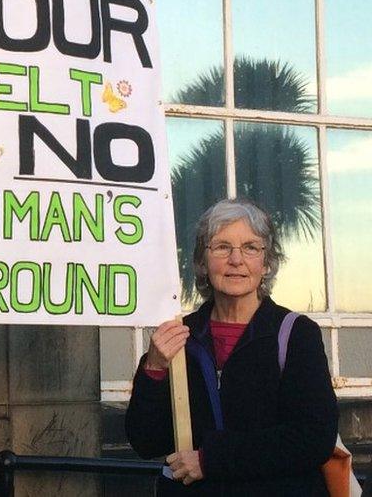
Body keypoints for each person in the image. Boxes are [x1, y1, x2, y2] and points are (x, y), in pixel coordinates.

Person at [126, 198, 338, 494]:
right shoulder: (180, 335)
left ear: (266, 264)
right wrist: (154, 369)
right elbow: (146, 441)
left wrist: (210, 459)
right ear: (202, 261)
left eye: (250, 247)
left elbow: (313, 438)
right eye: (222, 247)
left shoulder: (296, 334)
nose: (236, 260)